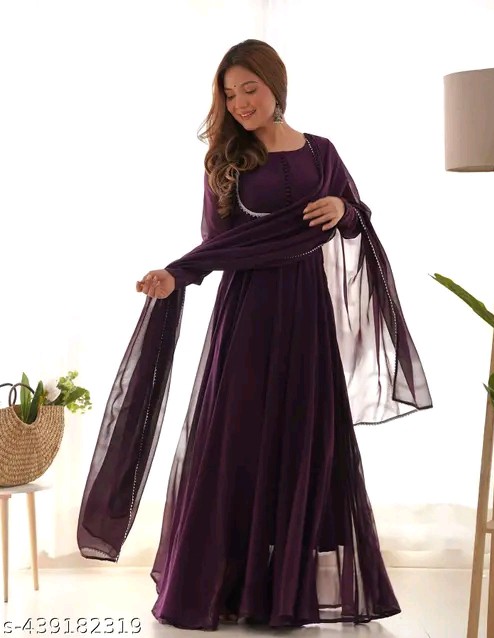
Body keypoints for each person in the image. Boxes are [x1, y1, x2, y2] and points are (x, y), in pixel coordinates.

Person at [77, 40, 432, 630]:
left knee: (303, 443)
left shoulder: (321, 151)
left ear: (275, 85)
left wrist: (342, 210)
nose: (240, 102)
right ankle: (219, 588)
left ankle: (284, 595)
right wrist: (176, 274)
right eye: (229, 93)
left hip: (308, 317)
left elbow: (357, 216)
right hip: (246, 316)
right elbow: (219, 243)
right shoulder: (225, 159)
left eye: (249, 89)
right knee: (232, 443)